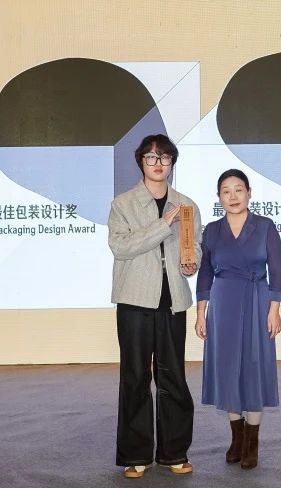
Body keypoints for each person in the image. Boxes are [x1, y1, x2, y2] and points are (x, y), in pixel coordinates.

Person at [107, 134, 201, 479]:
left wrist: (192, 262)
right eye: (151, 157)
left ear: (172, 162)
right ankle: (136, 454)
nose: (158, 163)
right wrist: (163, 225)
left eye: (164, 157)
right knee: (135, 376)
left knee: (173, 375)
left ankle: (174, 452)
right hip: (135, 300)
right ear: (141, 162)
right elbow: (121, 247)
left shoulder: (187, 205)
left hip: (173, 300)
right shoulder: (123, 203)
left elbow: (196, 245)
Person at [195, 168, 281, 469]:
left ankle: (252, 442)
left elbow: (277, 271)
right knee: (227, 367)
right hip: (223, 303)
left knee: (254, 366)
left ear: (249, 193)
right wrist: (201, 313)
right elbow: (205, 274)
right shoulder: (211, 230)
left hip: (258, 299)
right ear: (219, 197)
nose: (233, 196)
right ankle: (236, 437)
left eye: (238, 190)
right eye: (226, 191)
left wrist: (274, 309)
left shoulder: (265, 226)